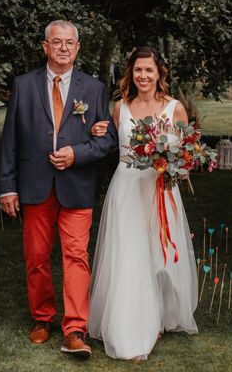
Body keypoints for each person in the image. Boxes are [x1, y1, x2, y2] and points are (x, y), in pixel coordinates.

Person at [0, 20, 117, 358]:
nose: (64, 47)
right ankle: (41, 317)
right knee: (36, 257)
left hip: (76, 187)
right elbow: (10, 140)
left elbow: (107, 140)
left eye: (70, 42)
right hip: (35, 185)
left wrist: (76, 153)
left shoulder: (93, 89)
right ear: (45, 46)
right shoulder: (23, 85)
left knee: (77, 256)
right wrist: (8, 187)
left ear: (78, 48)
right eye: (57, 42)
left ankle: (75, 328)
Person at [88, 46, 198, 360]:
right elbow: (108, 143)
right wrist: (97, 129)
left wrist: (173, 162)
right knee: (129, 255)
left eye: (149, 70)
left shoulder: (174, 108)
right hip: (126, 188)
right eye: (138, 70)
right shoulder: (120, 108)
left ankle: (161, 315)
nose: (143, 75)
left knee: (158, 256)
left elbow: (188, 154)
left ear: (159, 73)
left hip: (160, 189)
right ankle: (133, 328)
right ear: (131, 74)